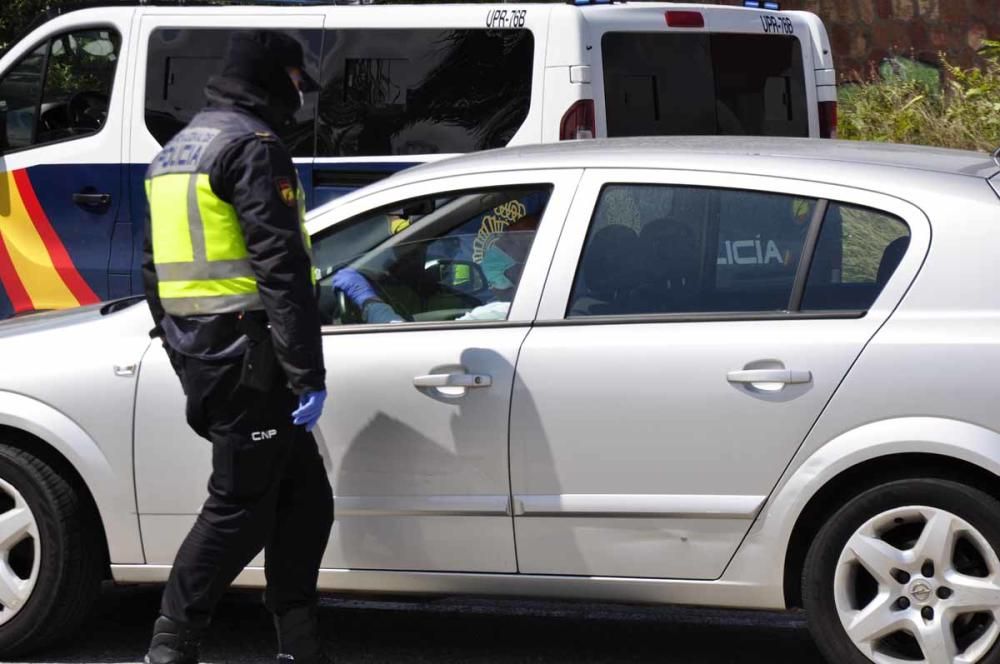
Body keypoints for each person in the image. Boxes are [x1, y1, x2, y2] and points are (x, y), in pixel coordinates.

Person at [141, 31, 333, 664]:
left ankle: (298, 646)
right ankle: (171, 647)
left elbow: (152, 272)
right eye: (299, 80)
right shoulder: (253, 147)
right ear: (274, 75)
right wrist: (306, 372)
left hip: (210, 354)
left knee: (305, 500)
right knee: (239, 508)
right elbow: (281, 267)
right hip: (254, 360)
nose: (301, 93)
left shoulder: (174, 153)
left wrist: (181, 351)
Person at [331, 214, 538, 324]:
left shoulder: (500, 314)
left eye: (512, 243)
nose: (498, 246)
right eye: (503, 238)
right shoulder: (511, 310)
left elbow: (404, 340)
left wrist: (367, 299)